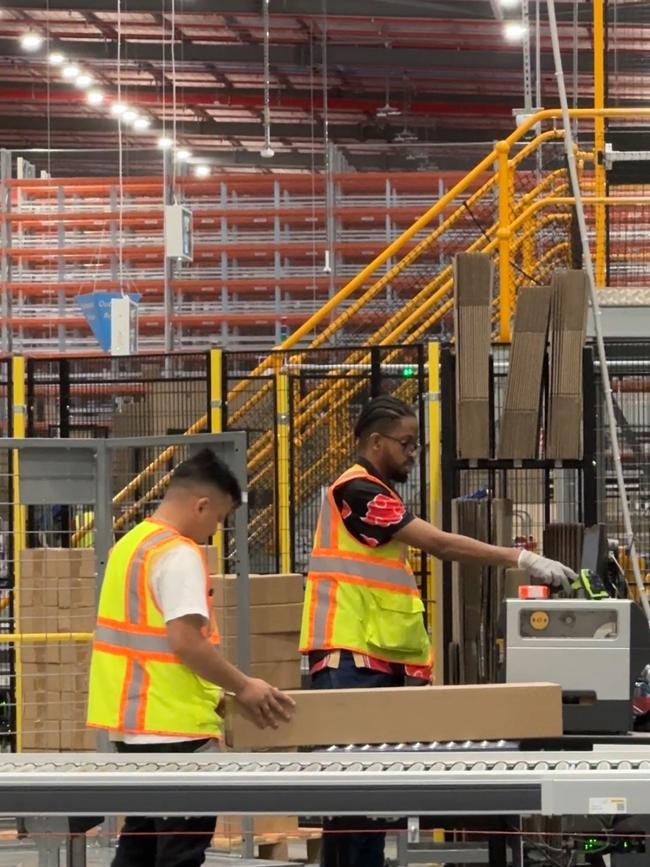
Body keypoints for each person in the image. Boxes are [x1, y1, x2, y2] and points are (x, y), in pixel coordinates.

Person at [299, 394, 576, 867]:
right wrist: (520, 557)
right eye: (406, 444)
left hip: (368, 659)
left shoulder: (371, 492)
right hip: (352, 659)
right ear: (375, 440)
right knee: (361, 806)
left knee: (360, 806)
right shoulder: (358, 491)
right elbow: (439, 544)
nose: (412, 454)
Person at [87, 448, 295, 867]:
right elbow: (186, 642)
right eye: (217, 519)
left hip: (134, 728)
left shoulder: (132, 545)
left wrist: (213, 693)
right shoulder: (179, 554)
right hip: (175, 732)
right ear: (201, 505)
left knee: (139, 848)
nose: (213, 532)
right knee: (179, 854)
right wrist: (244, 686)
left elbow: (155, 646)